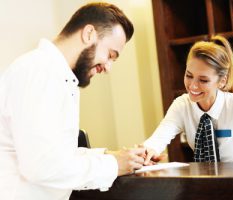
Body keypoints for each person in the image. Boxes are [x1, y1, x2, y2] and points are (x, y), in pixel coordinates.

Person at [0, 2, 145, 200]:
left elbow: (59, 155)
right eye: (110, 55)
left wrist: (113, 157)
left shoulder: (58, 77)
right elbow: (42, 166)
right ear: (88, 34)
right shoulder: (39, 72)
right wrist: (113, 165)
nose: (108, 67)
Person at [142, 35, 233, 164]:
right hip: (204, 182)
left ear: (222, 82)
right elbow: (158, 139)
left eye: (203, 80)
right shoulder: (181, 106)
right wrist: (146, 152)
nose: (193, 86)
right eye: (189, 75)